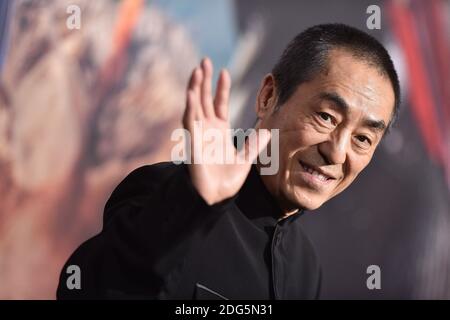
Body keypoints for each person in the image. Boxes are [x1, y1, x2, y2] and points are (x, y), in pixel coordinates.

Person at [57, 23, 400, 300]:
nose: (337, 153)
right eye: (326, 117)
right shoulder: (166, 196)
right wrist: (192, 203)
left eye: (362, 139)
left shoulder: (305, 267)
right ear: (268, 97)